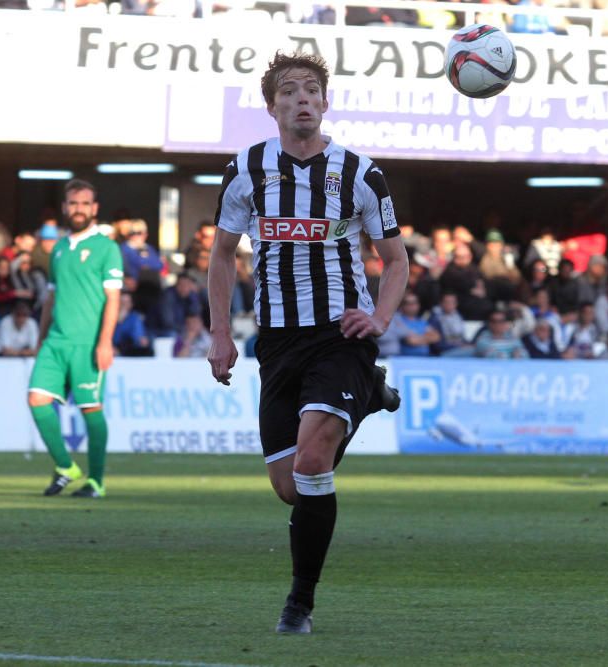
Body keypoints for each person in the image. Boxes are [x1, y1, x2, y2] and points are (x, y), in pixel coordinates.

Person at [206, 51, 408, 635]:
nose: (301, 98)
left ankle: (299, 605)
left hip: (341, 335)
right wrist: (221, 334)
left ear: (324, 103)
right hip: (278, 341)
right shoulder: (244, 170)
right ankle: (368, 394)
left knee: (316, 461)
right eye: (289, 90)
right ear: (272, 107)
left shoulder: (360, 173)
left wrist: (381, 319)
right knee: (293, 487)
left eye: (311, 90)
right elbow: (221, 256)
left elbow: (394, 262)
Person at [28, 179, 123, 499]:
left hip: (88, 343)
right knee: (36, 399)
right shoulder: (57, 248)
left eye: (85, 203)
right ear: (65, 207)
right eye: (73, 203)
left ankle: (96, 481)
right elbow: (50, 299)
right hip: (55, 342)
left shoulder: (106, 248)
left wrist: (105, 341)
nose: (78, 209)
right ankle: (66, 466)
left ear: (94, 208)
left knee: (91, 410)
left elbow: (113, 299)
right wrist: (41, 340)